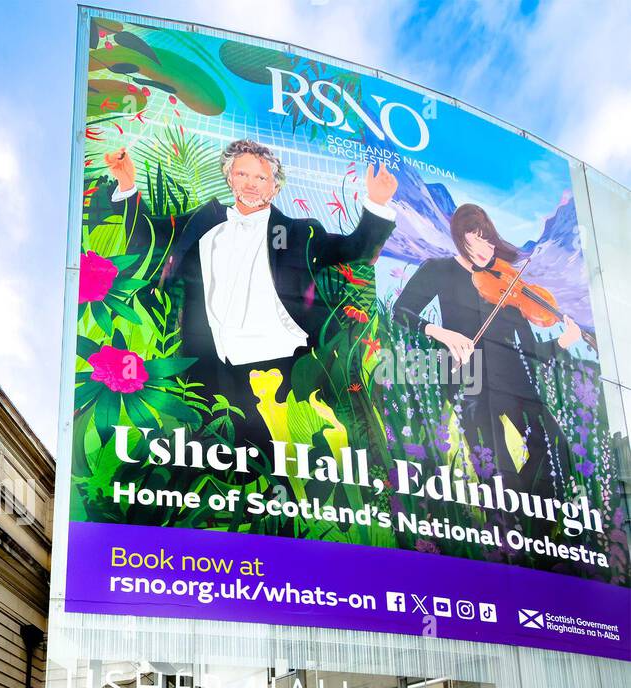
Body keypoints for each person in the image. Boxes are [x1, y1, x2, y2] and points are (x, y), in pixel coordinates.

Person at [104, 138, 397, 455]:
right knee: (218, 463)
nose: (252, 184)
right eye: (243, 174)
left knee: (292, 461)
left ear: (275, 186)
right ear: (230, 177)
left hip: (285, 366)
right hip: (210, 366)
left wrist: (377, 205)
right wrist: (127, 183)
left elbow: (355, 250)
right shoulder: (202, 223)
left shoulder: (301, 232)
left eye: (261, 178)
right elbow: (150, 236)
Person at [393, 203, 580, 498]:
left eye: (489, 239)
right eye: (475, 238)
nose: (485, 247)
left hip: (513, 378)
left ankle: (534, 517)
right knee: (492, 465)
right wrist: (441, 333)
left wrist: (563, 342)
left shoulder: (506, 283)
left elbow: (530, 350)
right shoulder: (439, 270)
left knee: (558, 451)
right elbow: (401, 311)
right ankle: (508, 521)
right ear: (460, 236)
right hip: (470, 376)